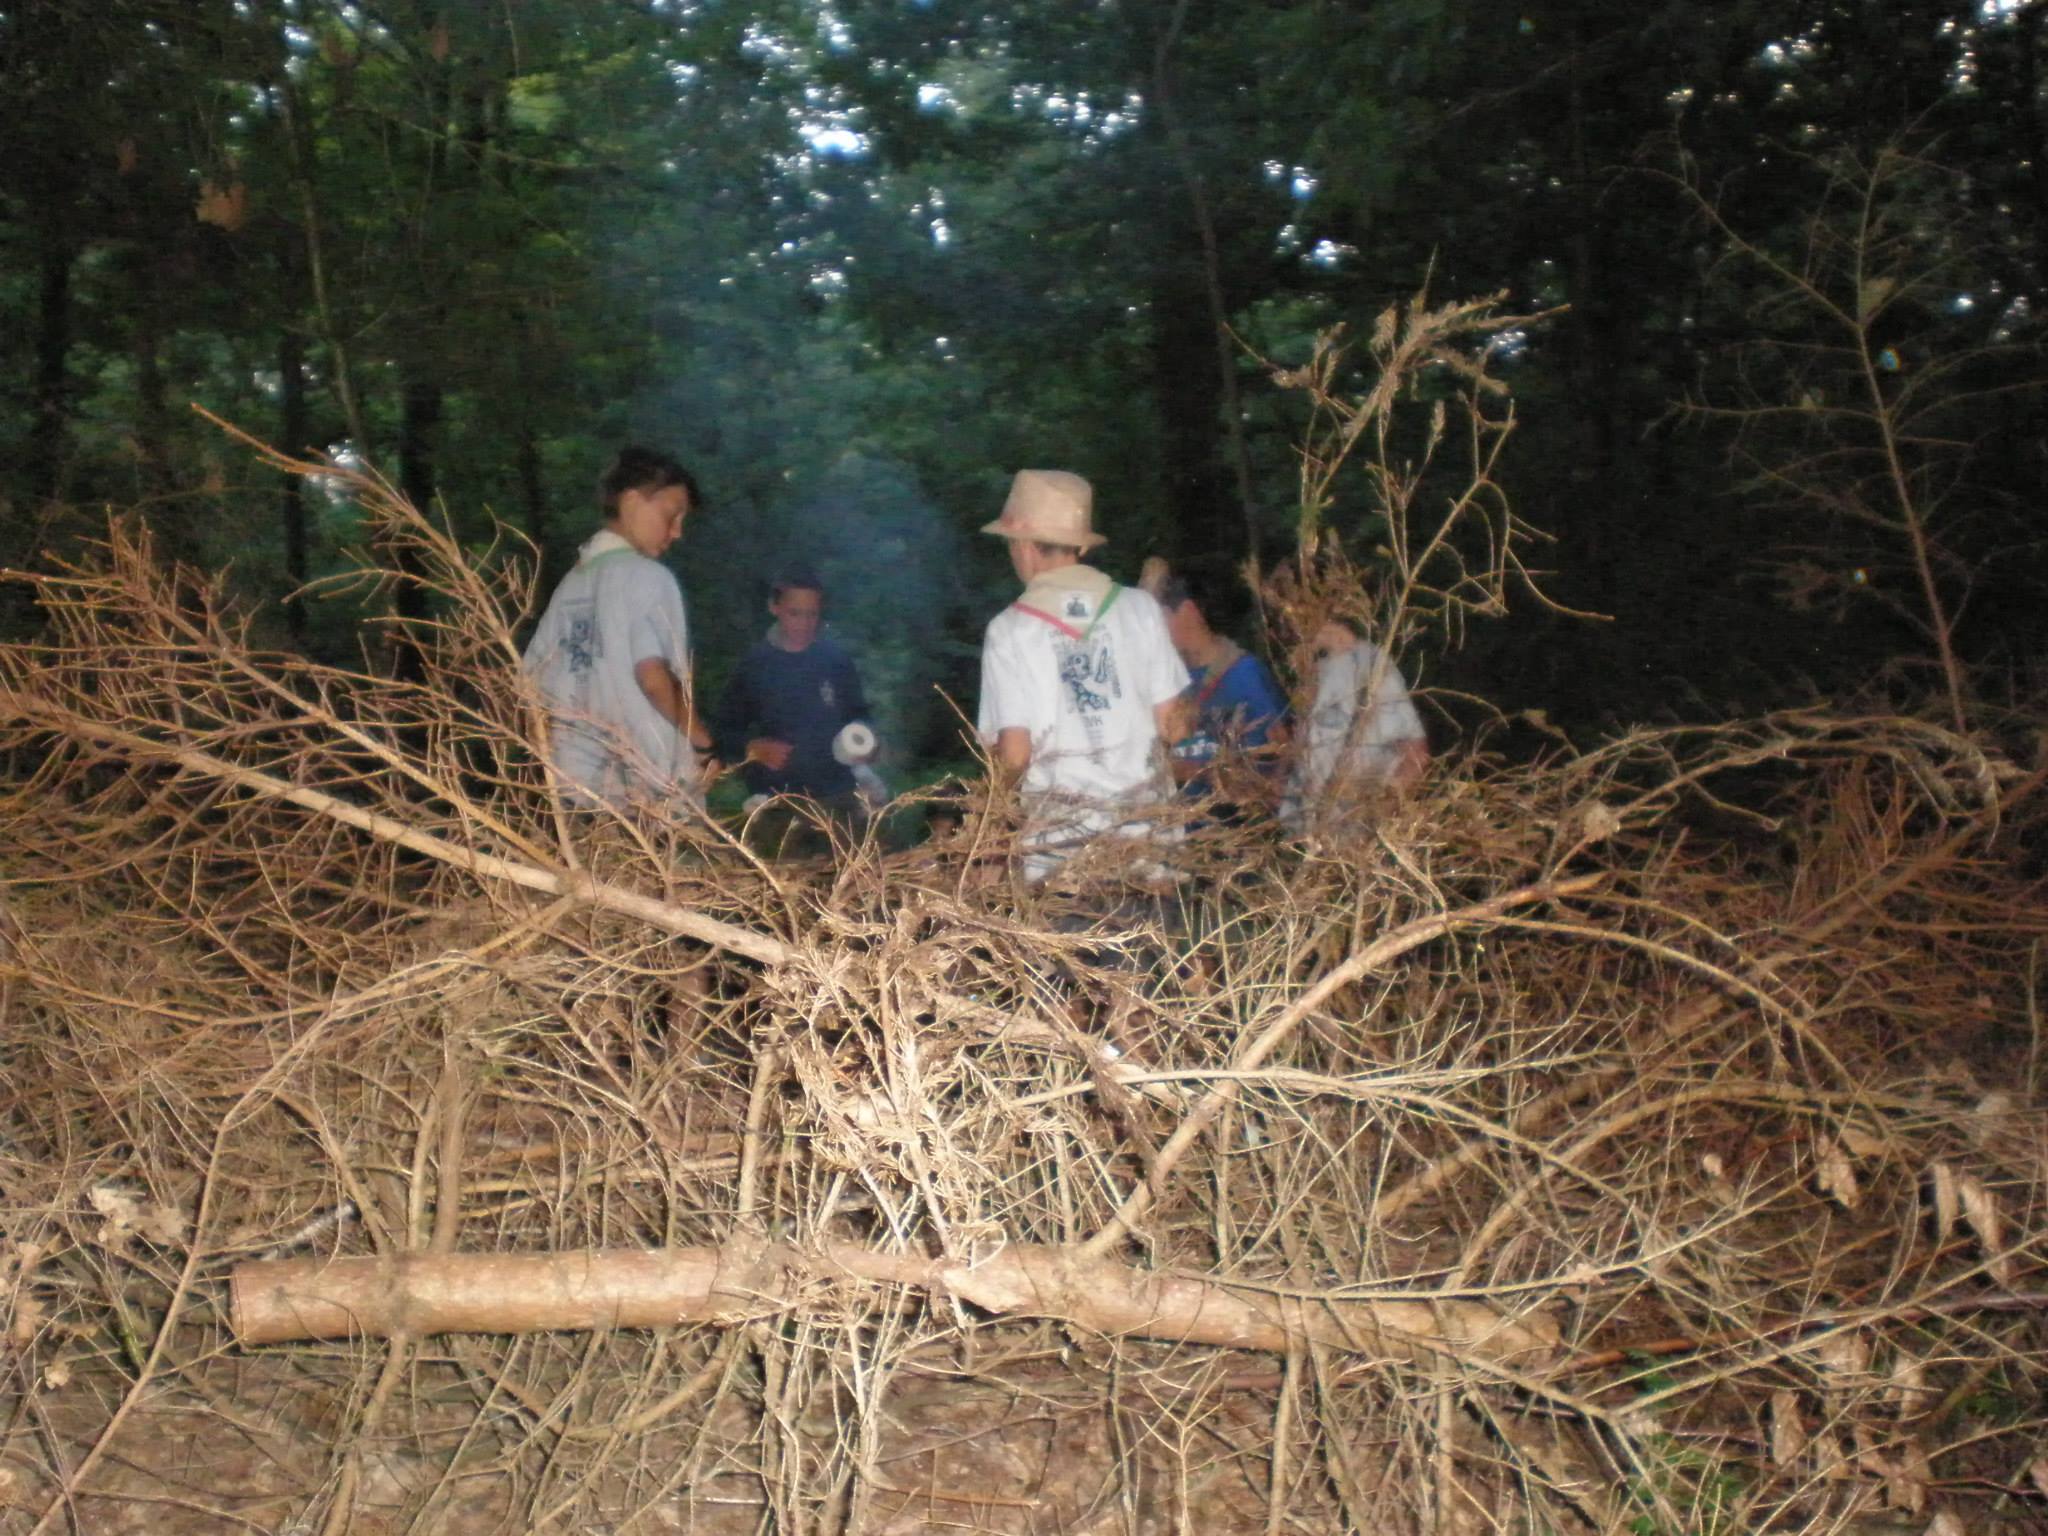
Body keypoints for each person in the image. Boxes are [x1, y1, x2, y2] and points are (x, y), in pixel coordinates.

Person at [976, 470, 1190, 882]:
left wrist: (989, 834)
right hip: (1149, 843)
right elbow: (1174, 726)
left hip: (1063, 855)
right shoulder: (1139, 608)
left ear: (1024, 545)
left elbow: (1015, 754)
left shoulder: (1011, 630)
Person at [524, 446, 714, 809]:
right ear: (630, 502)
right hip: (651, 794)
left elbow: (531, 692)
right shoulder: (648, 577)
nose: (677, 532)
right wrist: (703, 745)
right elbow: (653, 676)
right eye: (671, 515)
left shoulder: (570, 587)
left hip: (577, 795)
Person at [711, 564, 879, 839]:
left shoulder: (835, 661)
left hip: (837, 798)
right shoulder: (755, 665)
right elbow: (722, 731)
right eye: (795, 613)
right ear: (774, 607)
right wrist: (752, 747)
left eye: (812, 614)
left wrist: (868, 743)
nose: (804, 623)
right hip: (777, 801)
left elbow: (860, 718)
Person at [1151, 567, 1290, 813]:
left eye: (1161, 616)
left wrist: (1196, 772)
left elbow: (1279, 751)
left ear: (1189, 611)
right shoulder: (1167, 678)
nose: (1155, 626)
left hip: (1236, 827)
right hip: (1181, 827)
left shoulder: (1245, 673)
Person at [1283, 616, 1429, 828]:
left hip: (1353, 836)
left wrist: (1376, 814)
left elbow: (1416, 756)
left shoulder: (1369, 664)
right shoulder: (1315, 670)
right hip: (1311, 834)